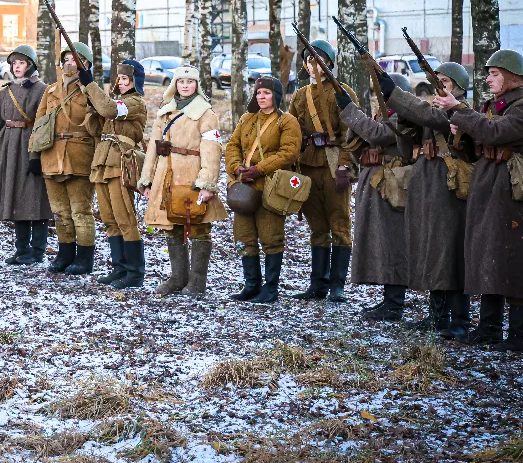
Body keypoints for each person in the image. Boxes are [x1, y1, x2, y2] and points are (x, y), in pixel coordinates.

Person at [442, 49, 523, 351]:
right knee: (489, 256)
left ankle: (519, 335)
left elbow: (496, 132)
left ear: (513, 77)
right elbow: (473, 149)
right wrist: (459, 134)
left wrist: (461, 110)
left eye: (494, 73)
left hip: (511, 191)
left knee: (513, 262)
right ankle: (489, 329)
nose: (488, 78)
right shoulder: (492, 106)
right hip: (488, 185)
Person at [386, 63, 474, 338]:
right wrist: (403, 117)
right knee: (433, 249)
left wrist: (398, 97)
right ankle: (438, 315)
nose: (439, 87)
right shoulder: (434, 112)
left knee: (452, 252)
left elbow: (432, 118)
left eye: (445, 81)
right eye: (437, 81)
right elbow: (405, 146)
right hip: (428, 185)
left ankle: (459, 319)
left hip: (451, 187)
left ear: (458, 86)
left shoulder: (463, 112)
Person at [139, 65, 227, 297]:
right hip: (166, 175)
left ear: (197, 85)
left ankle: (197, 282)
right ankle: (178, 278)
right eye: (181, 81)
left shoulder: (206, 114)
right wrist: (147, 180)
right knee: (172, 225)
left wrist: (207, 183)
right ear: (175, 84)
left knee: (198, 226)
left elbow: (212, 150)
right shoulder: (164, 112)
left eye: (190, 82)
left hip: (192, 174)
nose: (185, 86)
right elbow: (152, 149)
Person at [337, 73, 414, 321]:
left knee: (393, 242)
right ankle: (388, 300)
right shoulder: (382, 115)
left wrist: (350, 109)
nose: (379, 97)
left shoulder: (404, 115)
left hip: (392, 184)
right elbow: (359, 139)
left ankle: (394, 304)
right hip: (376, 181)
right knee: (381, 241)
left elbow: (380, 135)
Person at [287, 41, 359, 302]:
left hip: (333, 163)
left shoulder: (343, 92)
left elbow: (351, 134)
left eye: (318, 60)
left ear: (329, 63)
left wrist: (345, 164)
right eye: (309, 60)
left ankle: (337, 285)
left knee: (339, 224)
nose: (313, 65)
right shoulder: (299, 96)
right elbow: (291, 133)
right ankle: (317, 285)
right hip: (307, 164)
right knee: (317, 226)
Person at [225, 76, 302, 304]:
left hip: (271, 186)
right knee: (244, 236)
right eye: (258, 93)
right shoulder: (247, 119)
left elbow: (289, 152)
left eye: (266, 93)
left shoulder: (286, 121)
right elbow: (232, 146)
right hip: (245, 187)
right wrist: (236, 167)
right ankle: (251, 285)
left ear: (276, 96)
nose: (261, 97)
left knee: (271, 236)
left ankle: (270, 287)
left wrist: (259, 169)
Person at [81, 58, 148, 288]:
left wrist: (91, 86)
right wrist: (92, 105)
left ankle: (135, 272)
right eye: (119, 78)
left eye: (125, 78)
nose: (120, 82)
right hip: (103, 161)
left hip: (121, 162)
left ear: (135, 81)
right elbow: (95, 129)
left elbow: (109, 108)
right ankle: (119, 269)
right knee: (109, 219)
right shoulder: (117, 103)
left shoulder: (135, 103)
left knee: (125, 217)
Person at [0, 45, 53, 265]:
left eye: (22, 63)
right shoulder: (6, 91)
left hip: (30, 147)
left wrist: (37, 155)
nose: (17, 67)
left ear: (31, 65)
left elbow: (44, 124)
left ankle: (37, 250)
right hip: (9, 147)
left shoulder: (42, 89)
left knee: (35, 200)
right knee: (15, 198)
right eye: (14, 63)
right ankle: (21, 248)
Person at [36, 42, 97, 275]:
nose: (69, 63)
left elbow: (102, 119)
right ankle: (65, 254)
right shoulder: (51, 90)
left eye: (75, 59)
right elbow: (39, 124)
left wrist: (89, 85)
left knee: (81, 210)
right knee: (60, 211)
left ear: (86, 64)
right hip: (51, 153)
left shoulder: (90, 90)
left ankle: (84, 258)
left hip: (79, 154)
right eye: (66, 59)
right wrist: (34, 155)